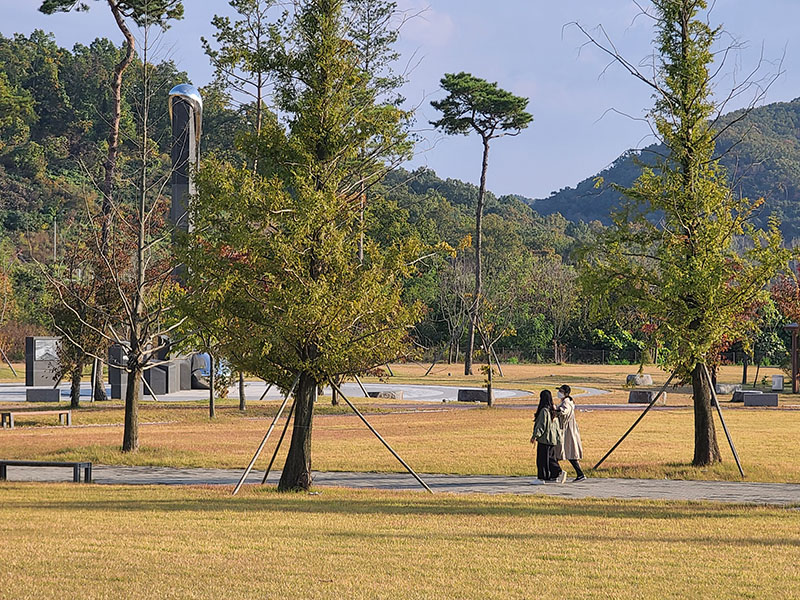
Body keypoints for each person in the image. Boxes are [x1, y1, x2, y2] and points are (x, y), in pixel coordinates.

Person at [530, 389, 565, 484]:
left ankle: (542, 477)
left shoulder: (544, 411)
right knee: (550, 458)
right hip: (553, 439)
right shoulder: (553, 410)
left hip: (545, 439)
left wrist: (535, 436)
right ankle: (554, 475)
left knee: (542, 460)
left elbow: (541, 425)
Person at [554, 384, 586, 482]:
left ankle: (558, 472)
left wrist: (555, 410)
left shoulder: (566, 403)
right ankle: (557, 472)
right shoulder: (567, 401)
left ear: (566, 393)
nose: (559, 393)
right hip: (567, 429)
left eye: (561, 391)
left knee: (562, 452)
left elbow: (564, 411)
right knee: (568, 452)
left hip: (567, 430)